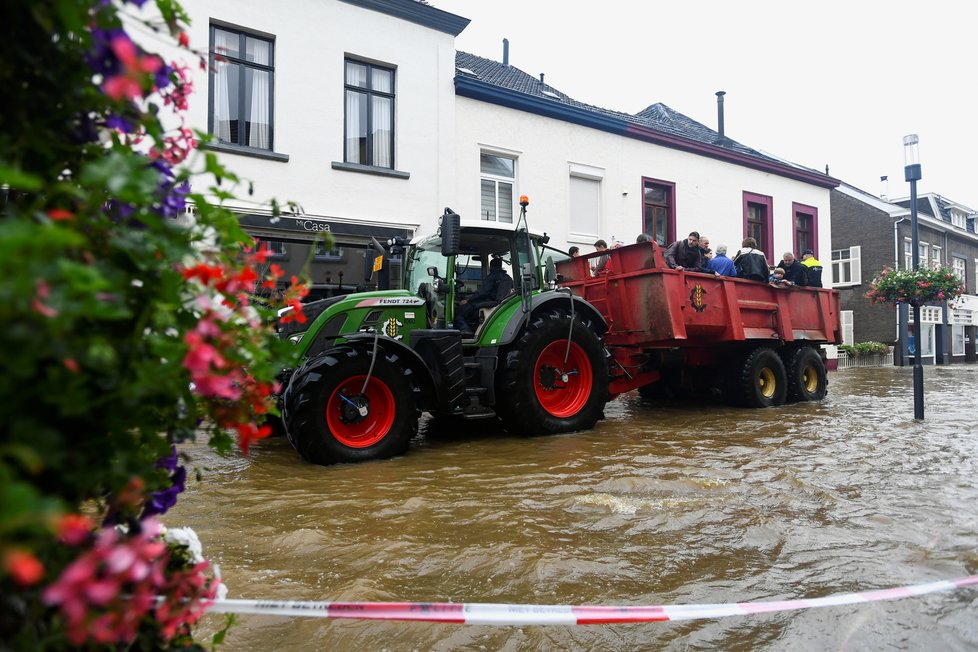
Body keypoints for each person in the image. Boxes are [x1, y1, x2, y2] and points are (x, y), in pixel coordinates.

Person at [456, 257, 512, 333]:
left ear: (491, 266)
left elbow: (484, 292)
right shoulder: (508, 278)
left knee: (458, 311)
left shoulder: (492, 276)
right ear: (500, 266)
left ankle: (465, 330)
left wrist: (468, 300)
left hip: (488, 302)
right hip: (500, 303)